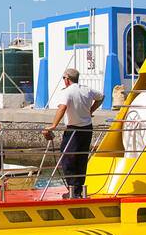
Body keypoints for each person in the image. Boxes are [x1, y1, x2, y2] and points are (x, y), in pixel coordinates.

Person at [42, 68, 102, 199]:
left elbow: (62, 108)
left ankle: (73, 189)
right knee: (81, 159)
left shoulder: (67, 92)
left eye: (64, 78)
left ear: (67, 79)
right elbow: (101, 97)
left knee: (68, 158)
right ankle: (78, 190)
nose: (63, 80)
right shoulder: (87, 89)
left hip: (73, 129)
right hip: (86, 129)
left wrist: (53, 125)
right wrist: (90, 111)